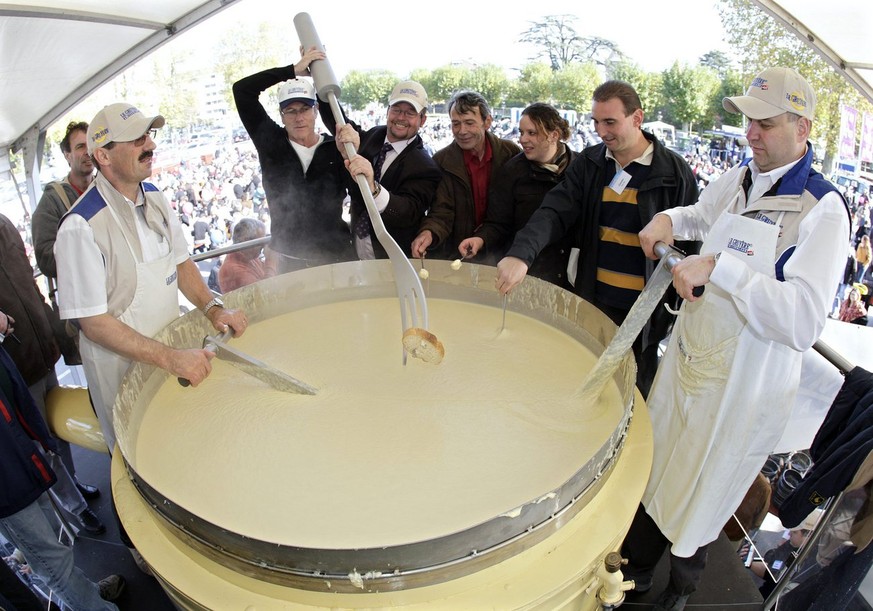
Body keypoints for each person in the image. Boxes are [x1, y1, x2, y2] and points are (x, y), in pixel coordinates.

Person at [623, 67, 850, 611]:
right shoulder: (744, 177)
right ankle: (629, 580)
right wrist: (668, 222)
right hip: (691, 368)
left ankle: (677, 595)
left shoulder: (822, 211)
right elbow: (702, 214)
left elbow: (802, 321)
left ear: (803, 127)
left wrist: (722, 269)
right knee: (657, 479)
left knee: (700, 501)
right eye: (749, 122)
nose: (751, 134)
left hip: (738, 395)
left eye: (764, 124)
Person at [54, 102, 248, 453]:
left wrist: (215, 309)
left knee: (180, 445)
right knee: (142, 456)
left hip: (169, 356)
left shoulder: (155, 198)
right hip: (121, 373)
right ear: (103, 156)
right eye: (136, 139)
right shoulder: (80, 227)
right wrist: (170, 357)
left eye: (149, 135)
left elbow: (182, 265)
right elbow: (94, 323)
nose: (151, 146)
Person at [494, 81, 699, 396]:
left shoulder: (675, 173)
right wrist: (522, 254)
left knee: (635, 391)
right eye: (596, 122)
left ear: (637, 118)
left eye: (610, 122)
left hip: (643, 317)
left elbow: (690, 246)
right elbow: (554, 211)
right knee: (584, 384)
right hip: (595, 303)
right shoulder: (590, 164)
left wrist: (674, 309)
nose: (602, 132)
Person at [0, 213, 105, 535]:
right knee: (43, 442)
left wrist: (51, 328)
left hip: (39, 349)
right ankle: (74, 507)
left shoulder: (5, 225)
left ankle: (72, 485)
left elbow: (29, 283)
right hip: (17, 361)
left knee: (55, 429)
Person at [0, 344, 125, 610]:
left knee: (54, 542)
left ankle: (84, 595)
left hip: (18, 453)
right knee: (49, 558)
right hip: (6, 481)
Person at [233, 48, 354, 273]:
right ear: (281, 115)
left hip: (338, 258)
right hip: (291, 261)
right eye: (290, 111)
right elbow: (242, 90)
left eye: (305, 109)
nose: (298, 117)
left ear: (316, 110)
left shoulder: (336, 147)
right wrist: (292, 71)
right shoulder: (270, 143)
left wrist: (320, 76)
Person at [457, 103, 577, 288]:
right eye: (521, 132)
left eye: (532, 133)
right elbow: (498, 223)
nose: (523, 139)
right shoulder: (512, 172)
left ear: (554, 135)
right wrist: (481, 239)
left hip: (571, 276)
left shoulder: (580, 168)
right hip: (528, 272)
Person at [320, 79, 442, 260]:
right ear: (387, 111)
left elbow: (407, 212)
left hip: (392, 258)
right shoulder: (373, 136)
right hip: (358, 250)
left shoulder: (425, 167)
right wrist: (320, 77)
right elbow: (339, 124)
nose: (401, 118)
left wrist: (373, 188)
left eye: (410, 113)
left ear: (422, 119)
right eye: (397, 110)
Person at [411, 90, 520, 259]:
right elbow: (441, 211)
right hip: (458, 254)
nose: (462, 131)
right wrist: (429, 232)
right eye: (456, 124)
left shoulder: (511, 154)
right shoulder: (441, 161)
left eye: (469, 123)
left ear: (487, 122)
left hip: (503, 253)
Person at [31, 121, 95, 280]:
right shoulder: (53, 199)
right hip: (85, 293)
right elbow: (46, 259)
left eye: (90, 145)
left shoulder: (107, 187)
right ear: (67, 155)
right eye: (80, 146)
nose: (88, 152)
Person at [750, 512, 818, 598]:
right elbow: (771, 569)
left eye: (794, 532)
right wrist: (749, 561)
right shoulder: (791, 545)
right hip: (764, 594)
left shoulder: (813, 562)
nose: (789, 534)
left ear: (808, 535)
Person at [218, 217, 276, 292]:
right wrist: (271, 260)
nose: (264, 245)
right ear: (246, 241)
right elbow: (265, 293)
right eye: (260, 242)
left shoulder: (249, 256)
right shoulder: (233, 269)